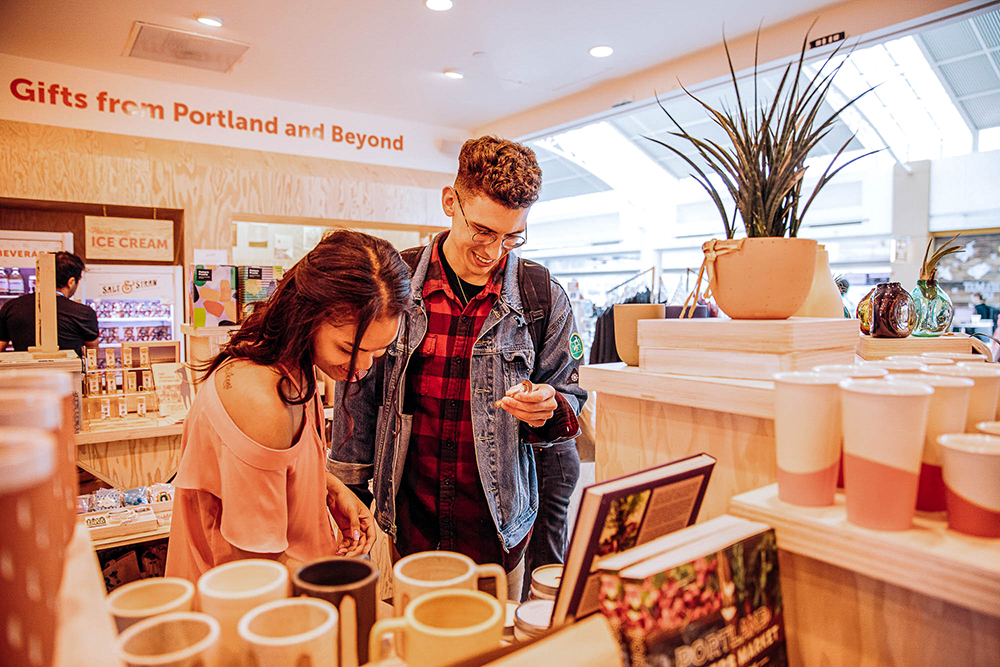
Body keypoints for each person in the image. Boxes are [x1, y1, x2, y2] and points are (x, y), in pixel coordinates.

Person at [329, 136, 587, 602]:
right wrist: (352, 495)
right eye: (484, 231)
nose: (494, 252)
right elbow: (359, 396)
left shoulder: (542, 297)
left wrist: (550, 406)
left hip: (500, 529)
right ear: (451, 201)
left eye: (512, 236)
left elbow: (570, 396)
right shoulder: (394, 283)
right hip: (410, 526)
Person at [165, 230, 409, 582]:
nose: (365, 367)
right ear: (307, 314)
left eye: (379, 350)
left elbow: (264, 477)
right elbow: (255, 569)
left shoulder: (288, 360)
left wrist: (327, 486)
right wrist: (350, 586)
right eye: (348, 349)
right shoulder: (260, 400)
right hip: (251, 613)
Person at [0, 251, 98, 356]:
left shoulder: (11, 307)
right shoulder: (84, 313)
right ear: (71, 282)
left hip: (24, 372)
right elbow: (91, 351)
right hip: (69, 372)